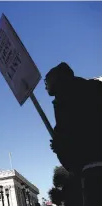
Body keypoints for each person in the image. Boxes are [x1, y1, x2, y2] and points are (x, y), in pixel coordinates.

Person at [45, 62, 102, 206]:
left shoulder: (66, 101)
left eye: (47, 80)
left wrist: (60, 146)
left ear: (58, 78)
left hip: (92, 168)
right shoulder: (91, 88)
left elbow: (69, 138)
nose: (45, 85)